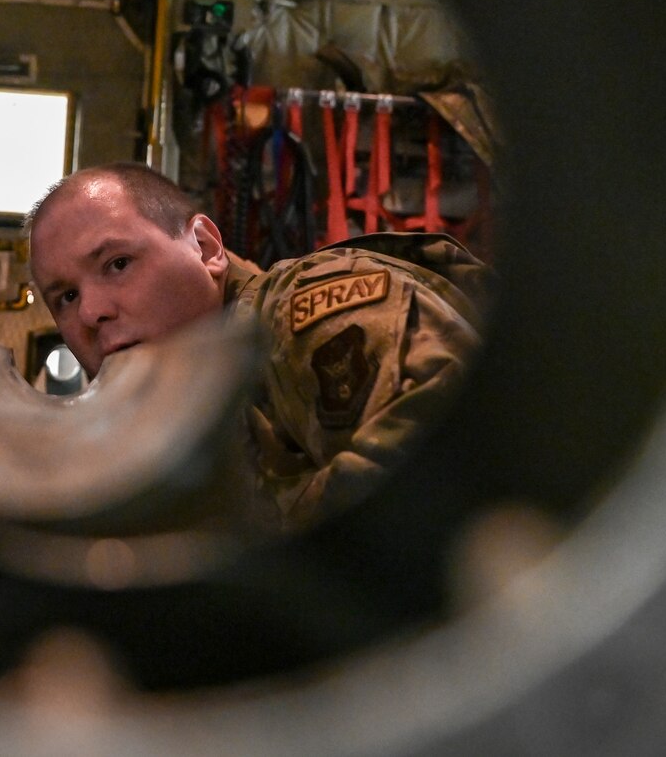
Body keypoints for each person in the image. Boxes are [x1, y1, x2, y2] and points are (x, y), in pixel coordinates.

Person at [26, 162, 486, 529]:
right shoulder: (179, 415)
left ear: (206, 248)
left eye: (117, 263)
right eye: (66, 297)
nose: (90, 313)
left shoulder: (301, 311)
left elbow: (446, 479)